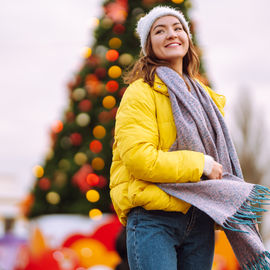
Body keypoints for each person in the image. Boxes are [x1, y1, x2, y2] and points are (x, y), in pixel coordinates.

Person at [110, 6, 227, 270]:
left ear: (187, 37)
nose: (171, 34)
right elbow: (139, 159)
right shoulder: (140, 93)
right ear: (148, 46)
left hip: (199, 217)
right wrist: (202, 165)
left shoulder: (205, 98)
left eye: (178, 28)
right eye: (159, 31)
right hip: (154, 219)